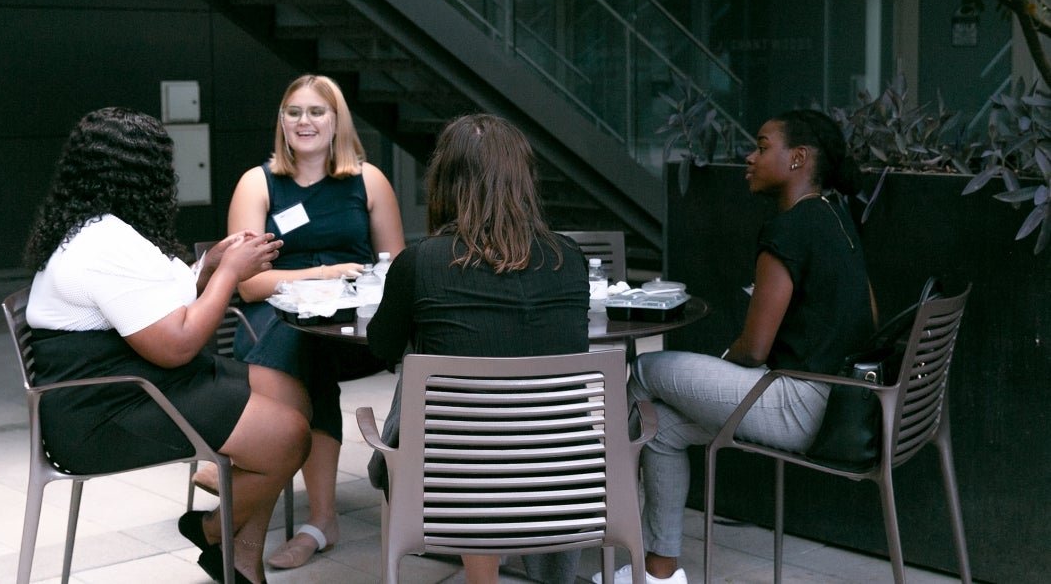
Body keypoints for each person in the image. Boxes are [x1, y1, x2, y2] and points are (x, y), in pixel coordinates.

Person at [23, 107, 311, 584]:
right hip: (102, 411)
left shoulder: (106, 228)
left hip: (137, 382)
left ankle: (240, 563)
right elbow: (176, 344)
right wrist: (231, 275)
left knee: (291, 394)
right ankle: (214, 532)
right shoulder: (100, 245)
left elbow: (154, 301)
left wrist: (211, 264)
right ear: (141, 176)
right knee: (287, 437)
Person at [596, 109, 877, 584]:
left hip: (797, 404)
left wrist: (723, 363)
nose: (751, 156)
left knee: (643, 375)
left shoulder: (787, 231)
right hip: (839, 401)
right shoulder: (836, 215)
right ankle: (660, 574)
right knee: (660, 430)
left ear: (798, 159)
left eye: (764, 146)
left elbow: (753, 349)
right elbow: (868, 313)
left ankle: (600, 514)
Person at [366, 113, 591, 584]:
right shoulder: (569, 259)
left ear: (444, 182)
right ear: (524, 181)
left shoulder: (419, 263)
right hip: (564, 480)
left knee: (421, 378)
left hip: (450, 486)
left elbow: (382, 345)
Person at [219, 73, 406, 570]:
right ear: (281, 122)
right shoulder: (257, 183)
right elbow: (247, 285)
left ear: (337, 120)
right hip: (275, 320)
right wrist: (321, 273)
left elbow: (397, 271)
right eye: (294, 111)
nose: (305, 121)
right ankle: (319, 520)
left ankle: (250, 465)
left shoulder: (369, 181)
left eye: (317, 111)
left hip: (352, 326)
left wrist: (343, 287)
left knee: (309, 345)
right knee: (300, 344)